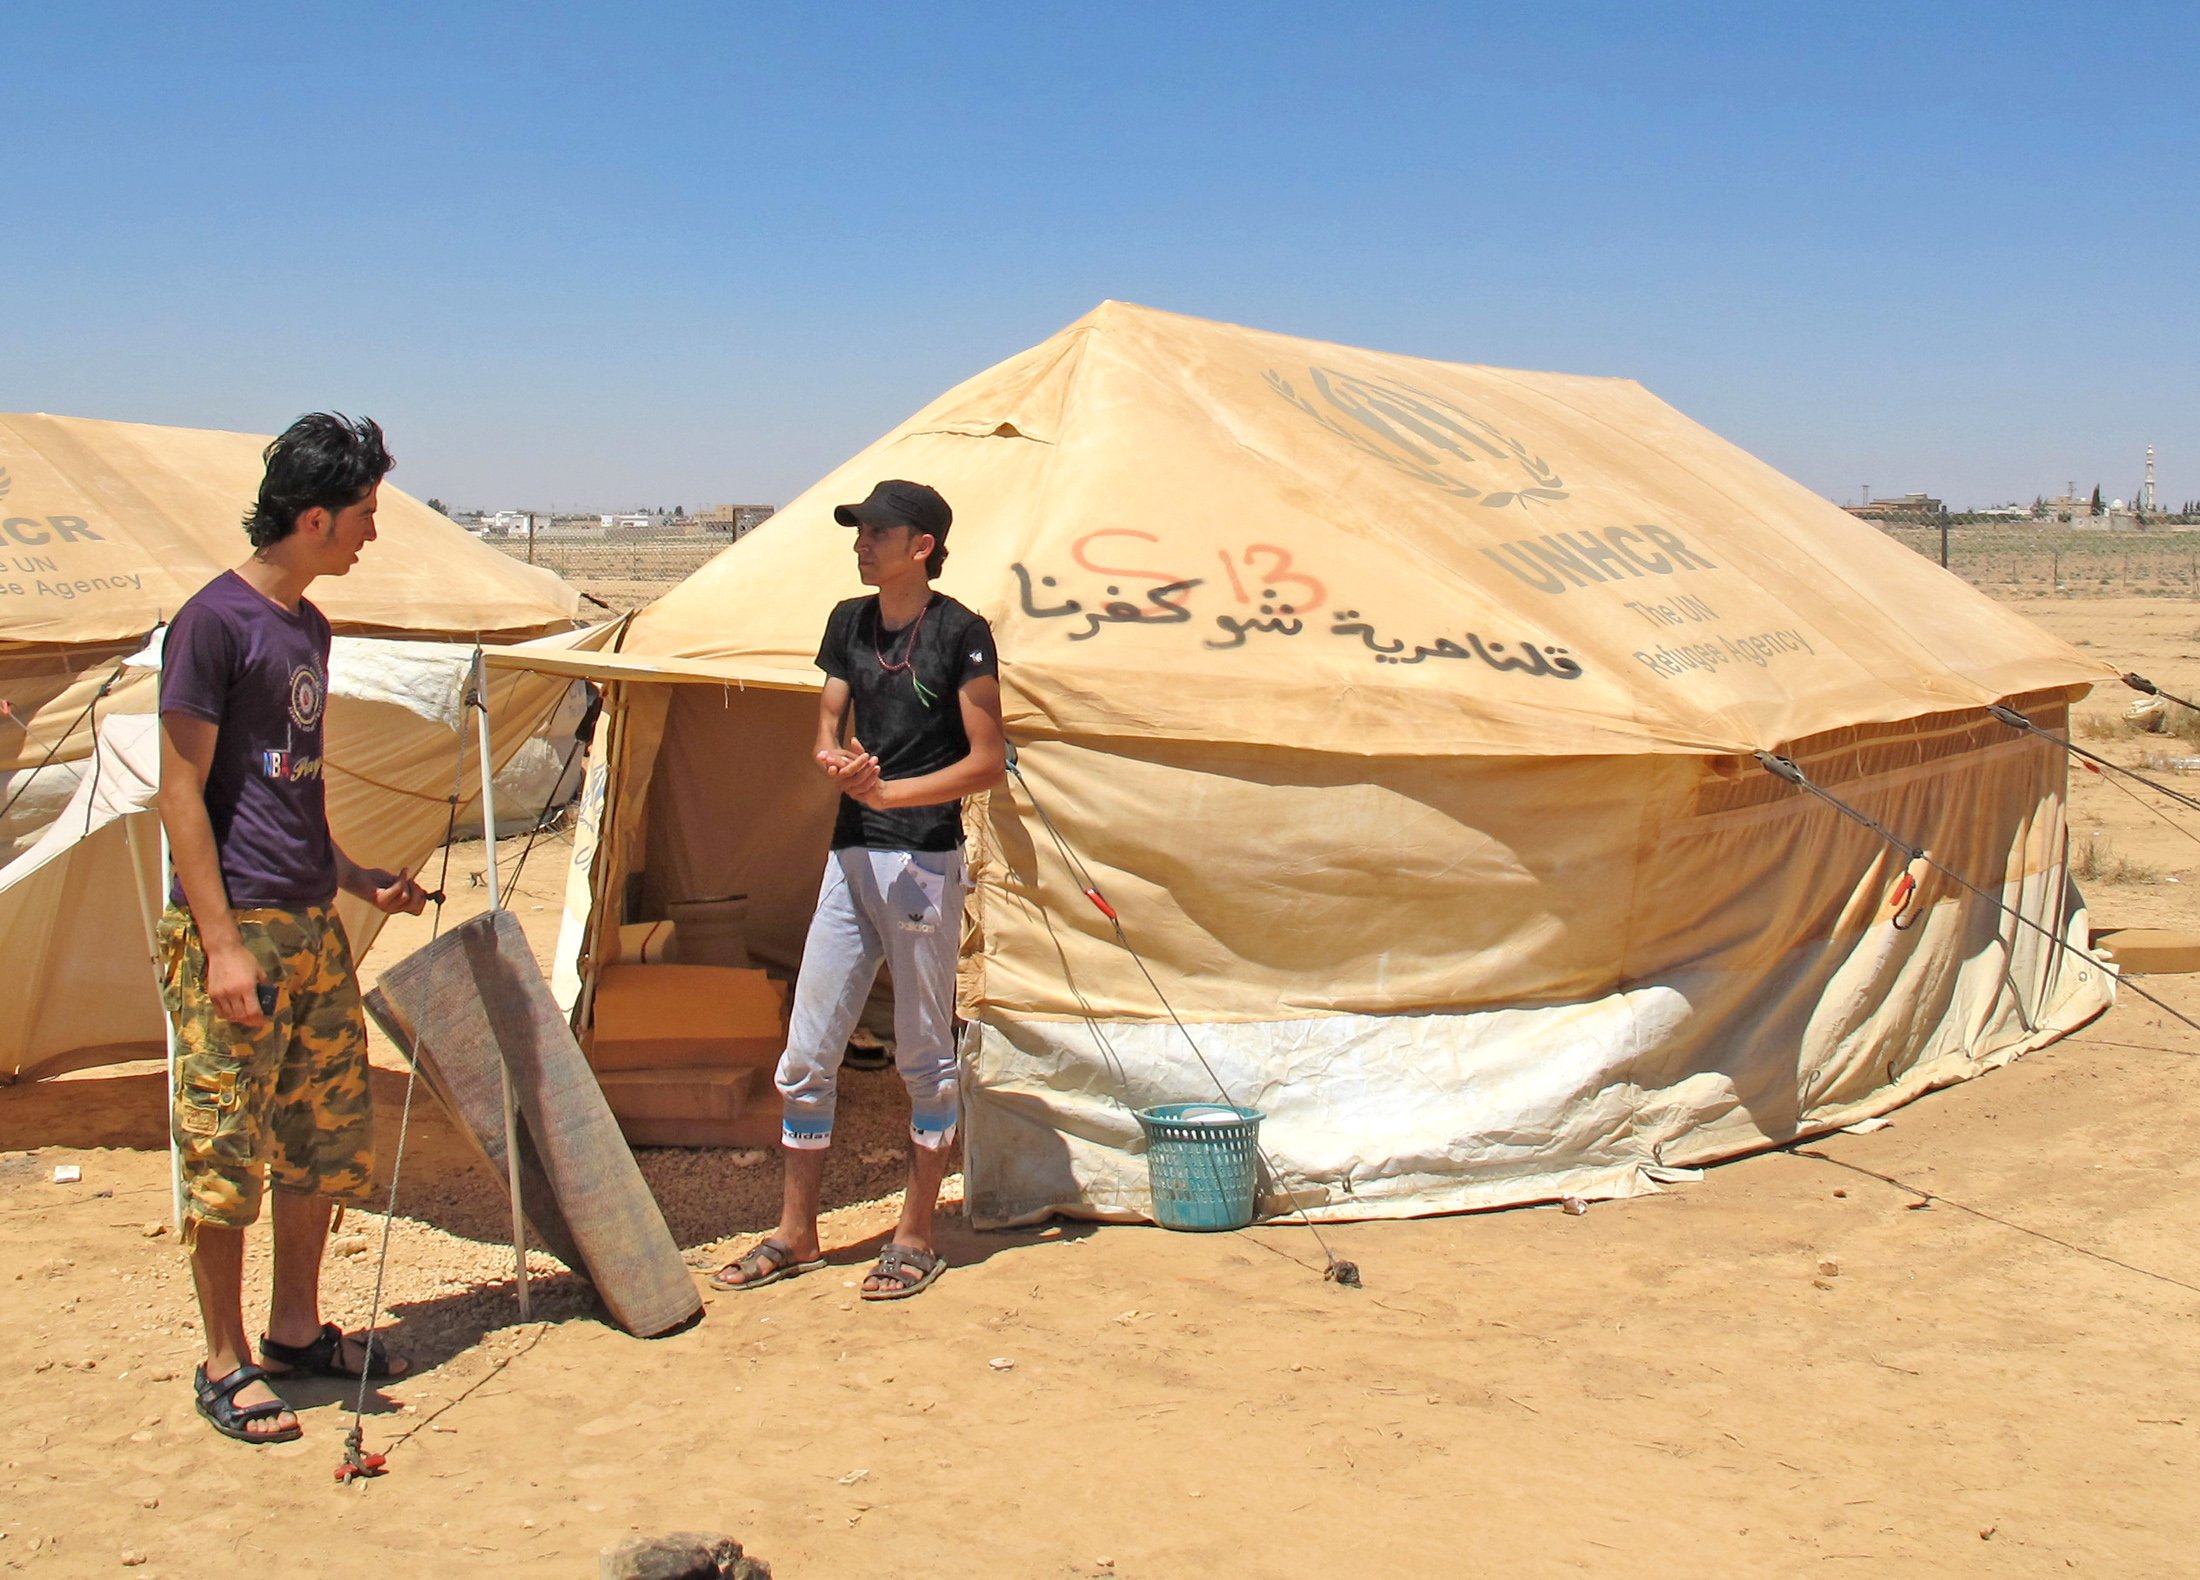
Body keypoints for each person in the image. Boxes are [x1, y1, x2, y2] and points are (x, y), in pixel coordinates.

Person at [156, 413, 428, 1444]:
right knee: (225, 1144)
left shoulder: (307, 625)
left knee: (321, 1142)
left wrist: (353, 873)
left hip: (313, 925)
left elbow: (291, 784)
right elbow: (182, 791)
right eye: (362, 515)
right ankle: (223, 1361)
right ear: (314, 516)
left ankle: (294, 1329)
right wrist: (221, 943)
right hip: (238, 934)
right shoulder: (212, 623)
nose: (370, 534)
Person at [713, 479, 1005, 1300]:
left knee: (922, 1051)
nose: (862, 541)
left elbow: (987, 760)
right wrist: (834, 758)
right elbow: (826, 721)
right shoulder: (848, 621)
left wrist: (891, 794)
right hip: (850, 857)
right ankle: (796, 1232)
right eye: (860, 529)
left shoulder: (961, 633)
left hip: (921, 862)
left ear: (923, 546)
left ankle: (915, 1233)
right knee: (807, 1052)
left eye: (879, 531)